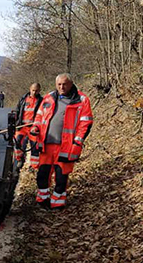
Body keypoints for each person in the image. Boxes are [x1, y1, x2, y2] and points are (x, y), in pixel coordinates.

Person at [30, 73, 93, 209]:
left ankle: (57, 203)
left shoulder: (81, 99)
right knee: (42, 175)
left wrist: (77, 142)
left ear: (71, 83)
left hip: (66, 146)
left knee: (61, 177)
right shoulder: (49, 97)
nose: (62, 87)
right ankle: (43, 199)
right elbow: (39, 116)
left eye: (64, 84)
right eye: (59, 84)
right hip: (46, 144)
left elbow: (85, 124)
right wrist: (35, 127)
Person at [14, 83, 43, 170]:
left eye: (36, 90)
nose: (34, 92)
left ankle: (34, 166)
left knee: (34, 146)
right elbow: (17, 111)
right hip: (22, 126)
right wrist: (16, 123)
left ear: (39, 90)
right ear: (30, 89)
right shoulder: (23, 99)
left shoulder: (41, 101)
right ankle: (19, 159)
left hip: (33, 127)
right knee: (17, 142)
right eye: (33, 90)